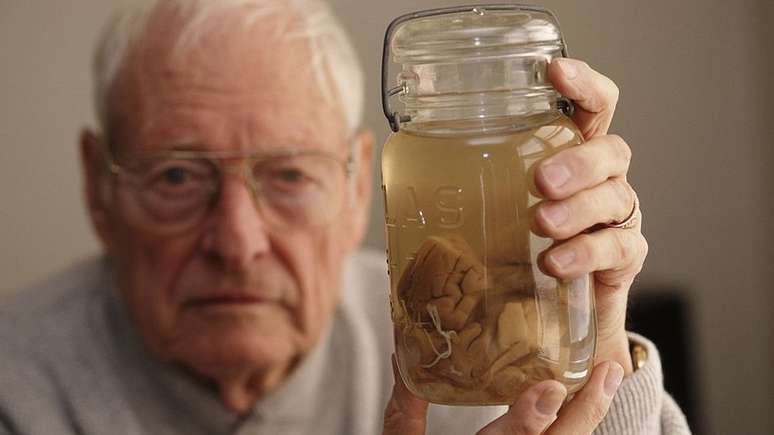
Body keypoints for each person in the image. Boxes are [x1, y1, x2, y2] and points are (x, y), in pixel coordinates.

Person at [0, 1, 691, 434]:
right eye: (178, 175)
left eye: (290, 173)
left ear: (363, 182)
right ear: (99, 185)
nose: (238, 243)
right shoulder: (18, 386)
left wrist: (594, 342)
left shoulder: (473, 336)